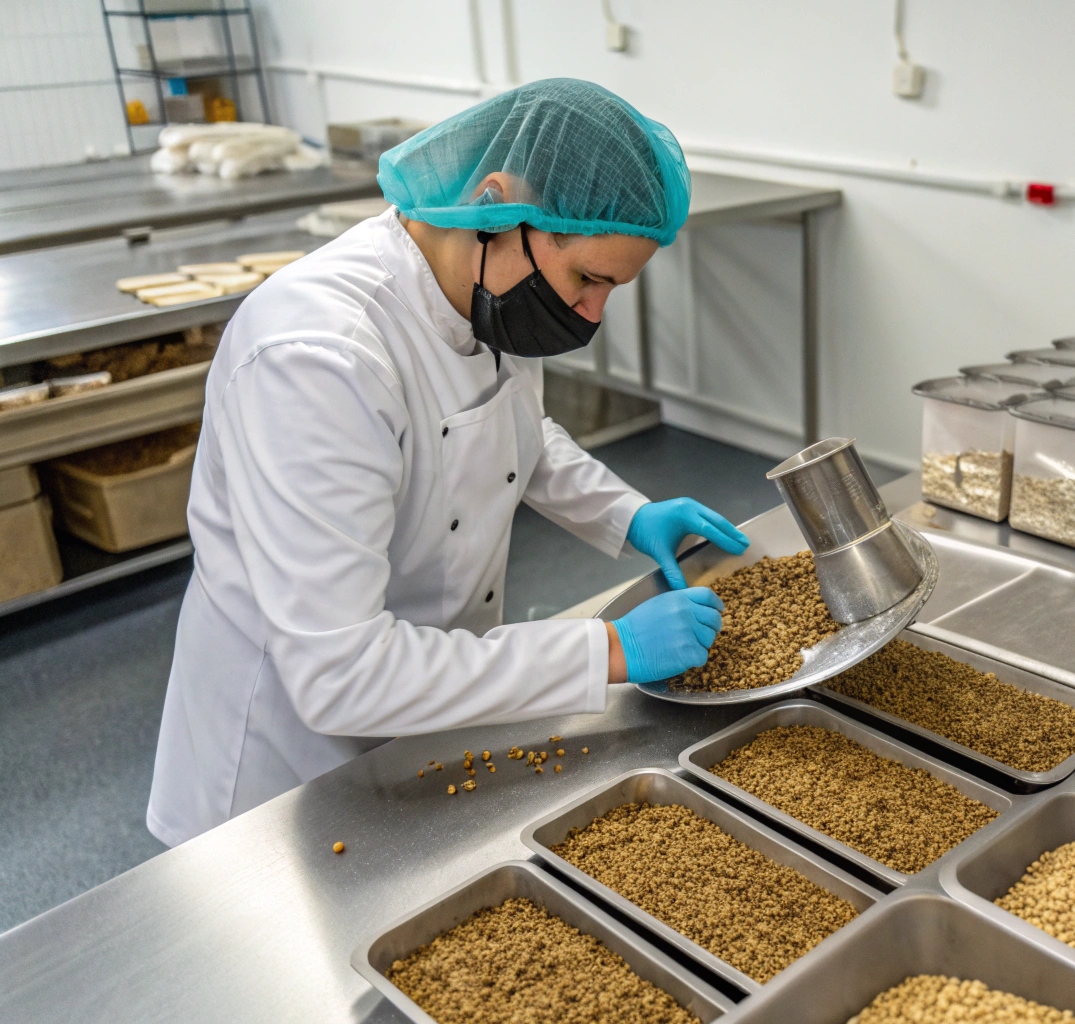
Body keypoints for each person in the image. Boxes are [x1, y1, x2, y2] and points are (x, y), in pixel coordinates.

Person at [147, 80, 748, 846]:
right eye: (587, 279)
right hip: (283, 771)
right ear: (496, 205)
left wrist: (627, 514)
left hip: (431, 704)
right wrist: (609, 649)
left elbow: (507, 431)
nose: (592, 315)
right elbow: (344, 675)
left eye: (612, 289)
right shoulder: (318, 358)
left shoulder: (481, 285)